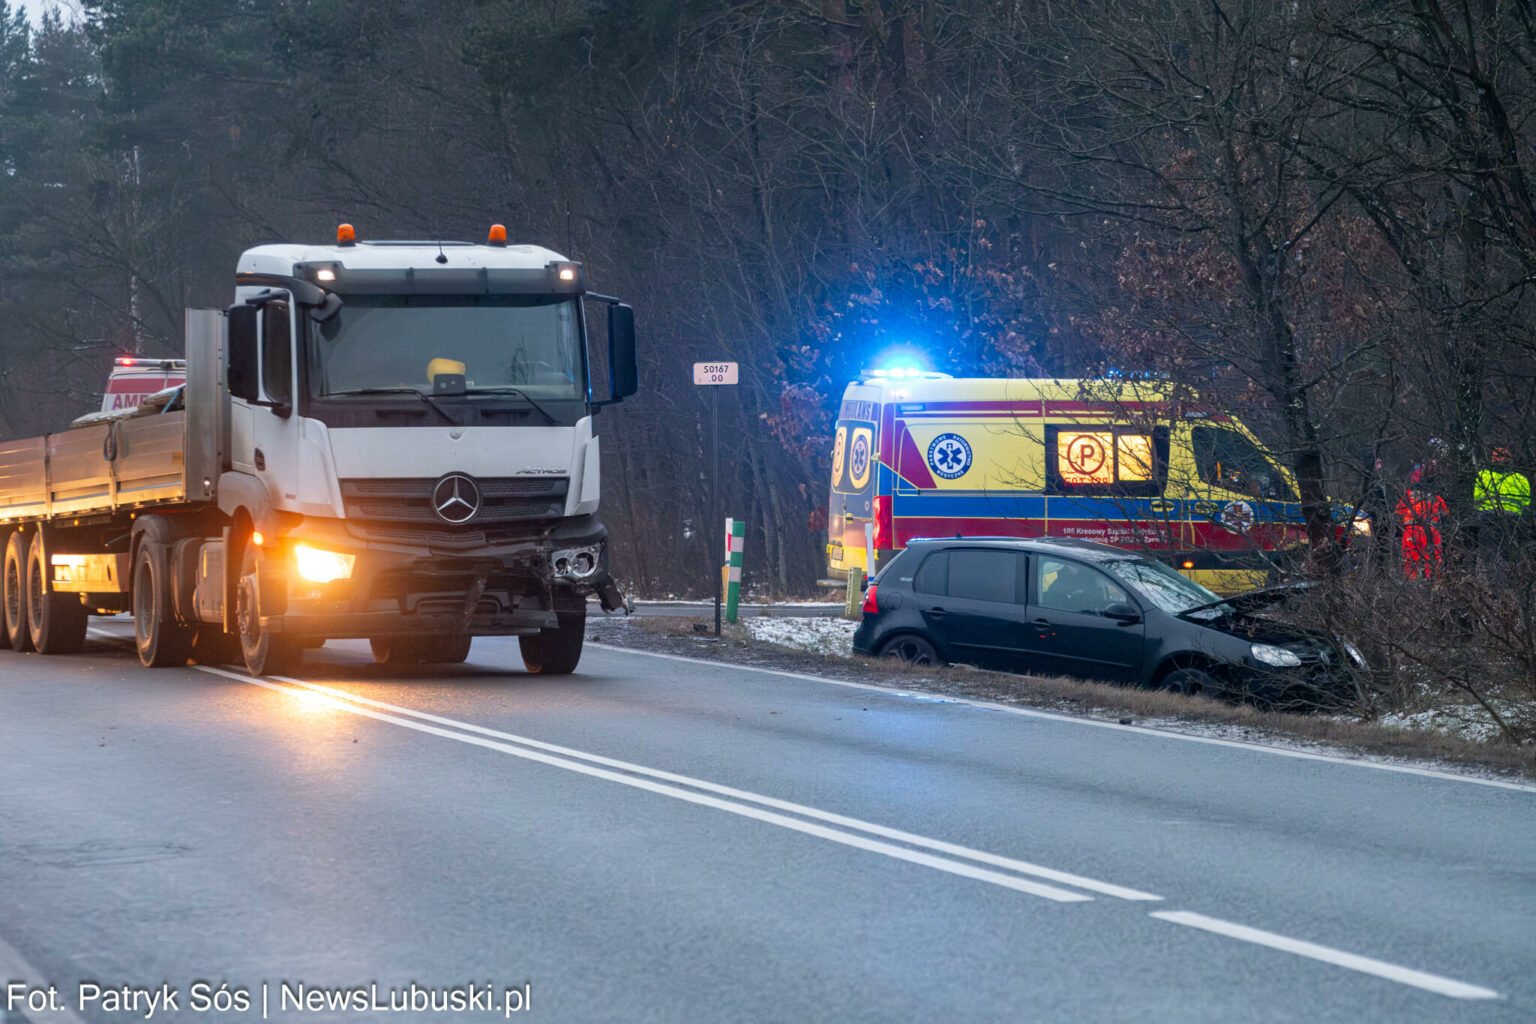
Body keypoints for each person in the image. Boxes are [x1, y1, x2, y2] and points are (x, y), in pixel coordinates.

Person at [1398, 456, 1446, 579]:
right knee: (1434, 561)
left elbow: (1398, 512)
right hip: (1431, 531)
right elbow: (1445, 513)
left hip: (1410, 530)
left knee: (1410, 561)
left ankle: (1412, 589)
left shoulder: (1409, 493)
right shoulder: (1437, 495)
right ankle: (1432, 586)